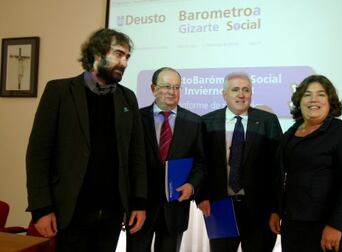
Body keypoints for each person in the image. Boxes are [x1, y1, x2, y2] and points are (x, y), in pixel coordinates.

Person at [25, 28, 147, 252]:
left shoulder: (127, 97)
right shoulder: (59, 91)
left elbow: (136, 155)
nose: (125, 62)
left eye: (127, 57)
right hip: (70, 211)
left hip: (111, 212)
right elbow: (38, 154)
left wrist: (139, 202)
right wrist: (41, 208)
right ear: (97, 54)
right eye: (119, 54)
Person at [269, 74, 342, 252]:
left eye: (321, 94)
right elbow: (281, 175)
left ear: (330, 101)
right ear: (299, 101)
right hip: (293, 224)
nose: (313, 99)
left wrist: (336, 225)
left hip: (327, 226)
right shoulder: (292, 132)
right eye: (307, 94)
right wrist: (276, 210)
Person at [196, 72, 283, 252]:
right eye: (235, 89)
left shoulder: (268, 121)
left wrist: (276, 209)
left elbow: (277, 169)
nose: (241, 95)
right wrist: (201, 196)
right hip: (220, 208)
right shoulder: (207, 122)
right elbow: (200, 162)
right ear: (224, 94)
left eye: (246, 90)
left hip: (260, 210)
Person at [127, 67, 205, 252]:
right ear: (153, 88)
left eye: (177, 87)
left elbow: (201, 163)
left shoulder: (194, 122)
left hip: (175, 208)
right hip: (140, 207)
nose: (172, 92)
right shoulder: (135, 118)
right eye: (167, 86)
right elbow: (128, 163)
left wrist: (192, 185)